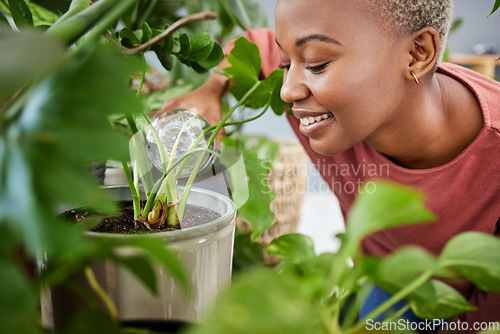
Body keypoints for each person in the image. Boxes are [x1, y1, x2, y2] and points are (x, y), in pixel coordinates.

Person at [157, 0, 500, 331]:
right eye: (285, 64)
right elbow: (256, 44)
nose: (287, 90)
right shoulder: (325, 109)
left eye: (317, 64)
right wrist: (211, 87)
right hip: (379, 284)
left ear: (417, 53)